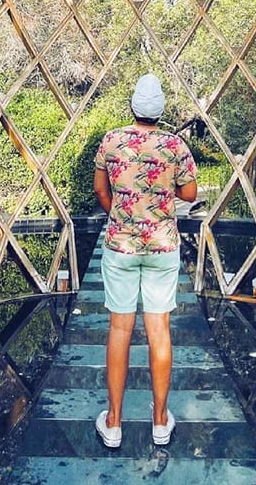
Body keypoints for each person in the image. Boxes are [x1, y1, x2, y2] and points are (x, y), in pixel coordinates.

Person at [93, 73, 197, 449]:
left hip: (120, 246)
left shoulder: (112, 141)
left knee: (119, 330)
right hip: (162, 247)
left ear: (133, 107)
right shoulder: (174, 145)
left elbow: (101, 190)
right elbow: (189, 192)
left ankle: (114, 422)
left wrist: (120, 214)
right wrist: (162, 201)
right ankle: (159, 422)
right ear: (161, 111)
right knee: (160, 331)